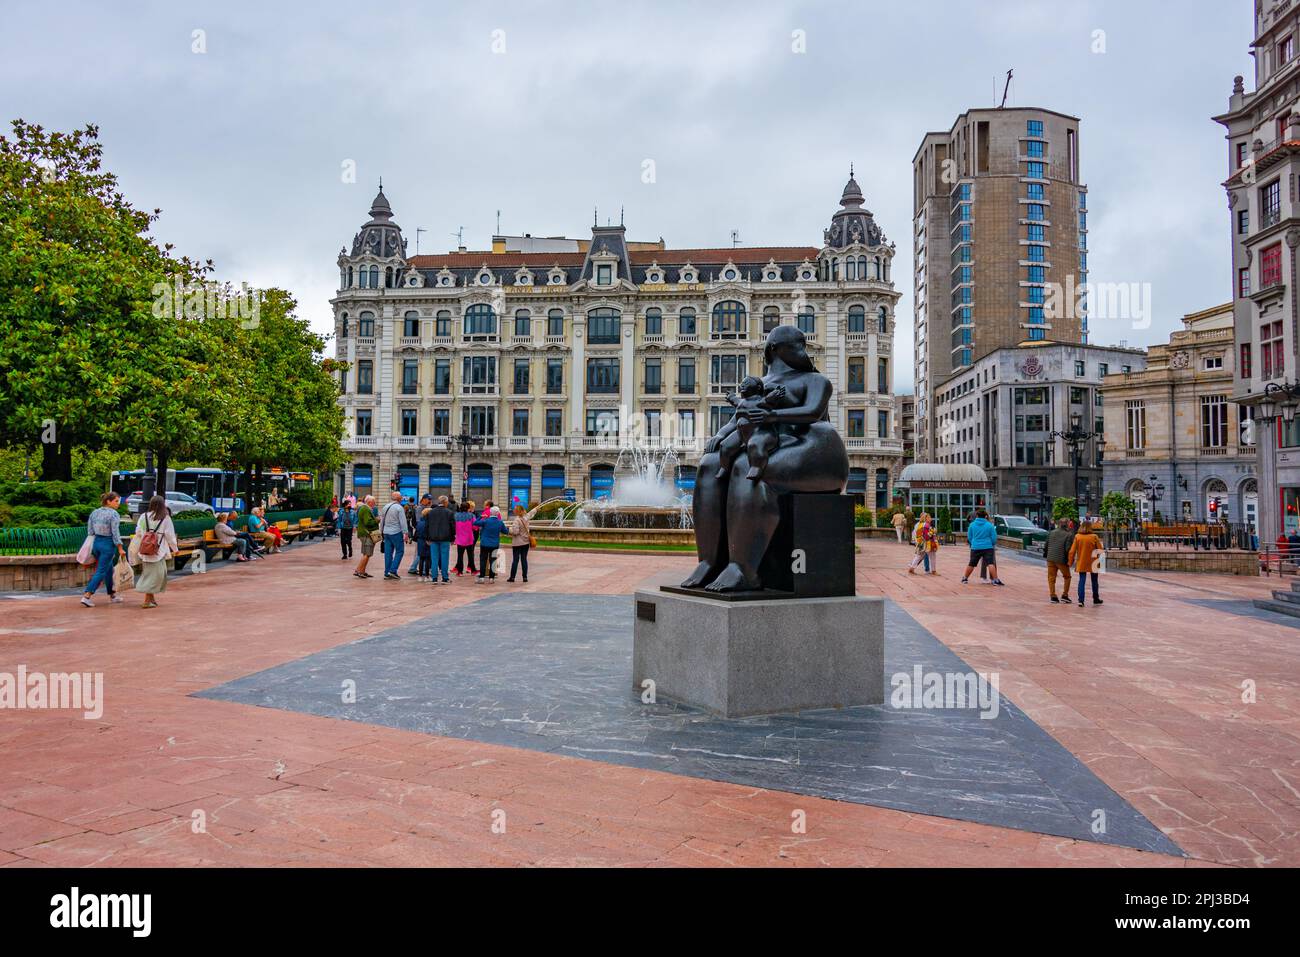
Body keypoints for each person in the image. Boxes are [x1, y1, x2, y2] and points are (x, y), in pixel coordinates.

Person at [681, 325, 849, 592]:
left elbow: (814, 412)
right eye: (796, 346)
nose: (803, 352)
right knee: (709, 465)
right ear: (774, 349)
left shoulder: (815, 380)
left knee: (748, 466)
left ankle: (743, 569)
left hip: (814, 447)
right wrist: (720, 436)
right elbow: (739, 417)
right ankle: (710, 562)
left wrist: (772, 417)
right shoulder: (760, 386)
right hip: (775, 445)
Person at [81, 492, 127, 608]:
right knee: (101, 570)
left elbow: (90, 531)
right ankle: (87, 595)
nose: (118, 504)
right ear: (108, 501)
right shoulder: (114, 514)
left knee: (108, 569)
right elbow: (115, 533)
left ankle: (112, 595)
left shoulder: (94, 512)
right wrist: (120, 548)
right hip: (108, 544)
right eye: (116, 501)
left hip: (96, 543)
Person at [132, 494, 177, 608]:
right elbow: (170, 536)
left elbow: (138, 531)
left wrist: (146, 539)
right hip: (158, 550)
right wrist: (175, 549)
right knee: (155, 575)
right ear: (163, 505)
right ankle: (147, 601)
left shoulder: (143, 516)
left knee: (152, 573)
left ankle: (152, 599)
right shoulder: (165, 518)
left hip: (145, 550)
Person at [962, 508, 1003, 585]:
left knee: (972, 564)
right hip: (988, 547)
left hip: (975, 547)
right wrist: (991, 543)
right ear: (985, 516)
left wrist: (973, 543)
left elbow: (970, 537)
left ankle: (965, 578)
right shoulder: (989, 525)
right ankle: (995, 580)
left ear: (977, 516)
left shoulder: (972, 525)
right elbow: (994, 537)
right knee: (991, 563)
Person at [1068, 520, 1105, 607]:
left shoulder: (1077, 536)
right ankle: (1096, 598)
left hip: (1082, 561)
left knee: (1082, 580)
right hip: (1094, 561)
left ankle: (1081, 600)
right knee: (1094, 580)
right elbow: (1100, 550)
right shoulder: (1094, 536)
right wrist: (1102, 565)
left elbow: (1072, 551)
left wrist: (1070, 562)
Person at [378, 490, 409, 580]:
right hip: (396, 532)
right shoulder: (399, 508)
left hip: (386, 532)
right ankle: (393, 570)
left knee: (388, 553)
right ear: (399, 498)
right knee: (400, 551)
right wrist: (405, 533)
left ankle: (387, 572)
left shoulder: (385, 506)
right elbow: (403, 522)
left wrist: (381, 531)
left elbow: (382, 521)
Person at [424, 495, 455, 584]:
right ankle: (445, 578)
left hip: (433, 538)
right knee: (445, 558)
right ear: (445, 502)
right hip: (445, 538)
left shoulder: (431, 512)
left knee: (434, 558)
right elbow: (453, 527)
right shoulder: (449, 513)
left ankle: (434, 578)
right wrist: (453, 538)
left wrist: (427, 537)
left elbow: (427, 526)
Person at [1044, 517, 1075, 604]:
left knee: (1051, 578)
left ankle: (1053, 596)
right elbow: (1068, 549)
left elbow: (1046, 545)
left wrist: (1046, 554)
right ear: (1067, 524)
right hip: (1061, 559)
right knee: (1067, 577)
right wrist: (1069, 561)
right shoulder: (1069, 535)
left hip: (1050, 558)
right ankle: (1065, 595)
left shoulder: (1051, 532)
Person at [474, 505, 508, 583]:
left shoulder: (486, 521)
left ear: (490, 512)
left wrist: (481, 517)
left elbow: (475, 523)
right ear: (498, 513)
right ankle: (491, 578)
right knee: (493, 561)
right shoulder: (500, 522)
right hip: (495, 544)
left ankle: (482, 577)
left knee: (483, 560)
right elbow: (505, 531)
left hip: (485, 544)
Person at [354, 495, 378, 578]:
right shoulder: (365, 509)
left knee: (366, 553)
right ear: (369, 502)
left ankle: (362, 571)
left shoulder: (364, 508)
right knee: (367, 554)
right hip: (367, 534)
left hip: (365, 533)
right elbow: (368, 522)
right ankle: (359, 571)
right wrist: (377, 520)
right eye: (374, 502)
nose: (375, 504)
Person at [507, 504, 531, 583]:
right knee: (524, 559)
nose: (513, 510)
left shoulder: (517, 520)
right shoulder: (526, 518)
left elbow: (516, 532)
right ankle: (525, 577)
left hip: (517, 543)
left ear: (517, 511)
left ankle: (512, 577)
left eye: (514, 509)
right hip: (526, 542)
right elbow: (532, 513)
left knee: (515, 560)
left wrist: (509, 529)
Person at [407, 494, 431, 575]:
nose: (430, 501)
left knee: (420, 552)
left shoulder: (425, 507)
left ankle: (414, 568)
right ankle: (415, 568)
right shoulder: (419, 508)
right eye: (428, 499)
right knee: (420, 552)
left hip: (422, 532)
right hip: (421, 532)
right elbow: (418, 521)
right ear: (423, 499)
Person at [454, 500, 478, 576]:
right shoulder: (471, 516)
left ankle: (460, 572)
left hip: (460, 538)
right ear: (468, 508)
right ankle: (473, 570)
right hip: (469, 538)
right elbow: (475, 527)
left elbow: (453, 526)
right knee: (470, 555)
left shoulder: (456, 515)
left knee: (460, 556)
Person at [414, 507, 432, 580]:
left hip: (420, 541)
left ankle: (420, 576)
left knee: (421, 558)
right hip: (427, 541)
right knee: (428, 559)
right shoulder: (429, 523)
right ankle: (427, 575)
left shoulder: (419, 522)